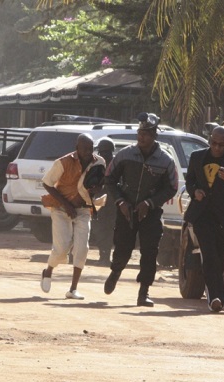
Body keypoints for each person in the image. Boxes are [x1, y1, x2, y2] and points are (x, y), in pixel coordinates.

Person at [103, 112, 178, 307]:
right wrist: (120, 201)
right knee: (122, 248)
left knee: (149, 252)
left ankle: (144, 292)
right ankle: (115, 272)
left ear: (154, 135)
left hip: (151, 214)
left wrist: (151, 203)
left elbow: (172, 187)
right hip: (126, 210)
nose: (141, 136)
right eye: (140, 132)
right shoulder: (125, 154)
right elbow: (109, 179)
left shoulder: (165, 160)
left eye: (146, 133)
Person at [185, 126, 224, 312]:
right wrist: (194, 191)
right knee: (210, 254)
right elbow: (190, 181)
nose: (217, 147)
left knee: (220, 259)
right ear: (209, 140)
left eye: (221, 144)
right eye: (214, 143)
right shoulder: (198, 157)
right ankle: (215, 297)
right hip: (201, 214)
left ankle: (217, 296)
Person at [40, 133, 105, 300]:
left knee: (82, 248)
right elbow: (47, 183)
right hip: (62, 209)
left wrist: (97, 189)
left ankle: (73, 289)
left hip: (83, 210)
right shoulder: (63, 162)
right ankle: (48, 271)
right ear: (77, 149)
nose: (87, 152)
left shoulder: (99, 162)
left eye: (90, 149)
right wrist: (66, 204)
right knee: (61, 248)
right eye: (84, 149)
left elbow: (99, 182)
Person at [93, 137, 116, 265]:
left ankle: (105, 256)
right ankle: (104, 255)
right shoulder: (99, 163)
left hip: (111, 202)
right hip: (102, 201)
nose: (104, 154)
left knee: (105, 229)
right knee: (102, 228)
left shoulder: (115, 164)